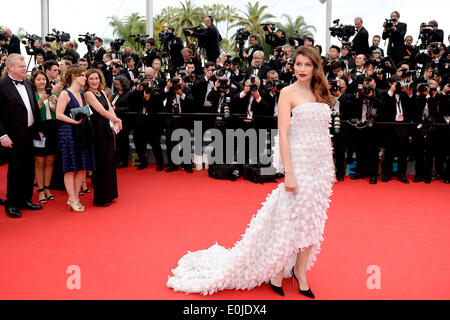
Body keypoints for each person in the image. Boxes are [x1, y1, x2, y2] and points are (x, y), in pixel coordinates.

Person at [167, 46, 335, 298]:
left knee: (313, 221)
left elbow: (326, 132)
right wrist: (288, 171)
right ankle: (278, 270)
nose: (302, 69)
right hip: (299, 164)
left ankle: (301, 270)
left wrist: (330, 164)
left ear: (315, 67)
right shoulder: (288, 93)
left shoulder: (321, 92)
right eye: (298, 64)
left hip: (320, 167)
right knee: (291, 220)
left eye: (307, 65)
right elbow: (284, 135)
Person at [0, 54, 43, 218]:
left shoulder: (28, 84)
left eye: (25, 66)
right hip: (12, 135)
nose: (25, 69)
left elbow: (33, 108)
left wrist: (38, 128)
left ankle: (25, 200)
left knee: (28, 168)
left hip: (29, 133)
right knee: (15, 170)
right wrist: (2, 134)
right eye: (21, 67)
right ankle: (12, 203)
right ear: (11, 68)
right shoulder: (2, 85)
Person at [55, 65, 96, 212]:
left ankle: (75, 198)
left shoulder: (81, 93)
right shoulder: (65, 93)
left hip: (82, 133)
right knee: (70, 168)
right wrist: (75, 122)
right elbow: (59, 114)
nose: (85, 78)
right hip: (68, 133)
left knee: (82, 167)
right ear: (73, 77)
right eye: (82, 76)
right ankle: (71, 198)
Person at [83, 69, 122, 206]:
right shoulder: (88, 94)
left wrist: (116, 120)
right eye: (91, 79)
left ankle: (110, 194)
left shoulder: (102, 92)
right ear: (87, 81)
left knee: (109, 161)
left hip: (106, 129)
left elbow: (110, 108)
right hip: (97, 130)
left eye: (96, 78)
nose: (94, 81)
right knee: (101, 162)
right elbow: (100, 111)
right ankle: (101, 197)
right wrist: (117, 120)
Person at [31, 71, 59, 204]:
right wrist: (41, 101)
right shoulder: (32, 95)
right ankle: (40, 190)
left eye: (43, 79)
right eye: (38, 79)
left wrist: (56, 103)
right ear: (34, 81)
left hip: (53, 128)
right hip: (39, 129)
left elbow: (59, 112)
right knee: (39, 161)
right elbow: (31, 113)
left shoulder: (54, 94)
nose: (42, 81)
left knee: (50, 160)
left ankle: (47, 188)